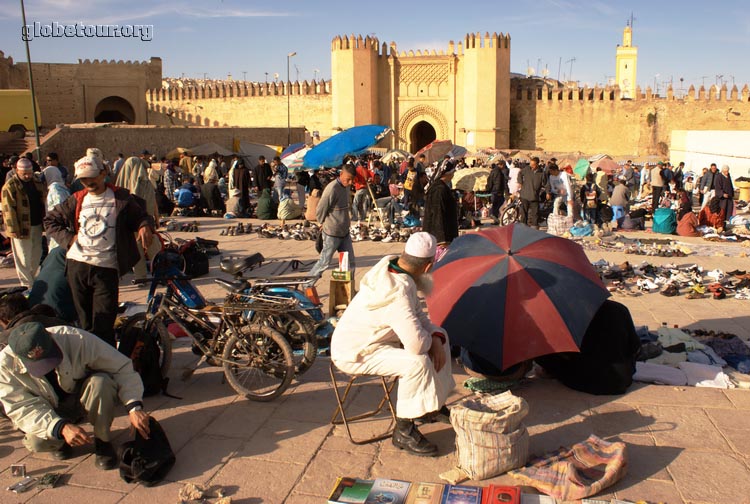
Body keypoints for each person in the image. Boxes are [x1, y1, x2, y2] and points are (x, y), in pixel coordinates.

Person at [331, 232, 454, 456]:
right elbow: (416, 345)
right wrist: (430, 341)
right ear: (427, 268)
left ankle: (432, 407)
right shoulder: (395, 293)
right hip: (355, 352)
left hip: (376, 342)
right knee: (416, 363)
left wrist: (436, 337)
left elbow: (419, 317)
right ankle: (404, 431)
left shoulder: (398, 270)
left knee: (441, 334)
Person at [0, 322, 150, 470]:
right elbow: (21, 409)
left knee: (101, 382)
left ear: (51, 337)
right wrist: (60, 428)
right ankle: (60, 441)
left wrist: (133, 406)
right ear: (18, 357)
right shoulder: (4, 367)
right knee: (35, 443)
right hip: (48, 408)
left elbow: (121, 367)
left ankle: (102, 440)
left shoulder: (75, 337)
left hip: (78, 396)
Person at [44, 155, 154, 346]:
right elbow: (50, 221)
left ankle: (108, 365)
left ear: (103, 173)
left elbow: (142, 216)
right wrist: (69, 239)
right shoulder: (76, 199)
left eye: (92, 177)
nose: (89, 182)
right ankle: (91, 364)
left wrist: (144, 225)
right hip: (78, 266)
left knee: (104, 323)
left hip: (106, 268)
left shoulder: (121, 198)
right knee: (86, 324)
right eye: (84, 179)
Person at [1, 157, 47, 286]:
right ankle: (27, 284)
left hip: (37, 224)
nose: (27, 176)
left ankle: (31, 280)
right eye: (24, 174)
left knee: (36, 255)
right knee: (23, 257)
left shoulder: (36, 181)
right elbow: (8, 209)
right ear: (17, 171)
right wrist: (13, 229)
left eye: (29, 173)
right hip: (21, 227)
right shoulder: (10, 186)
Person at [308, 164, 356, 281]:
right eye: (347, 179)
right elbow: (320, 209)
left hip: (344, 233)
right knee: (324, 262)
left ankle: (348, 290)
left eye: (352, 180)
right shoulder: (332, 189)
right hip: (332, 233)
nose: (349, 182)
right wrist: (320, 223)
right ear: (341, 175)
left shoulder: (346, 187)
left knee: (350, 263)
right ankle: (307, 284)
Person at [115, 157, 160, 280]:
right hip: (143, 221)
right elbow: (150, 202)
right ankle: (161, 271)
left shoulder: (120, 186)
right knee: (150, 245)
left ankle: (141, 276)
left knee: (137, 247)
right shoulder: (143, 183)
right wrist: (154, 218)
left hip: (132, 222)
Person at [422, 161, 459, 246]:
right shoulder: (439, 189)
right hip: (439, 236)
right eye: (453, 172)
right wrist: (442, 239)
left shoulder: (441, 187)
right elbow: (438, 214)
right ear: (447, 173)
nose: (453, 174)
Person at [517, 157, 545, 229]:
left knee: (535, 213)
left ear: (537, 164)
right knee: (524, 213)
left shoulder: (541, 173)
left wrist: (547, 192)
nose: (531, 166)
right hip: (525, 195)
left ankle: (534, 228)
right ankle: (523, 227)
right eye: (530, 164)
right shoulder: (527, 169)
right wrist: (520, 182)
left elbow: (546, 183)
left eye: (533, 165)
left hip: (534, 196)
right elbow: (520, 174)